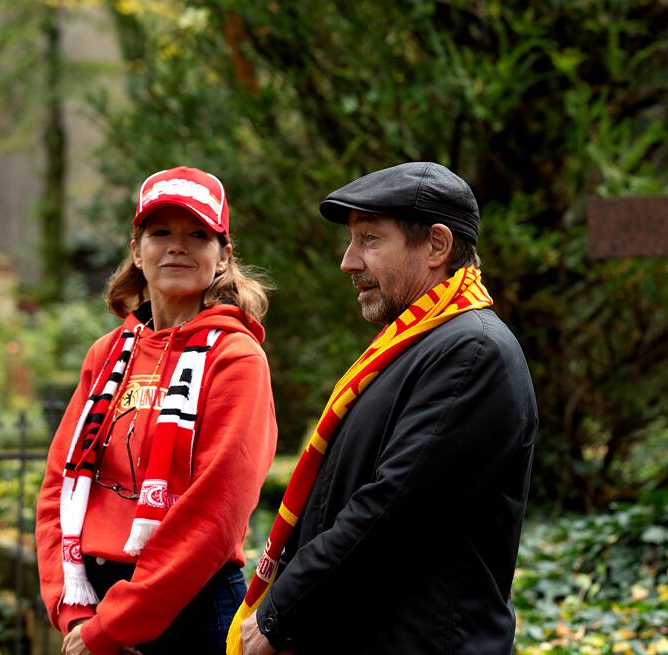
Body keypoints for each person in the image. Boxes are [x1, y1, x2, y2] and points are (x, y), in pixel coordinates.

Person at [232, 161, 537, 654]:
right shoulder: (415, 347)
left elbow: (391, 509)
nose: (348, 261)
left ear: (437, 245)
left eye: (370, 239)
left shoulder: (471, 353)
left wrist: (280, 612)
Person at [35, 166, 278, 654]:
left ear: (223, 255)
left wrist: (115, 627)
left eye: (197, 234)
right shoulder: (107, 354)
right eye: (160, 232)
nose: (176, 246)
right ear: (136, 249)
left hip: (191, 609)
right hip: (94, 603)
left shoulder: (236, 358)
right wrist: (75, 611)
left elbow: (215, 514)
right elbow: (59, 485)